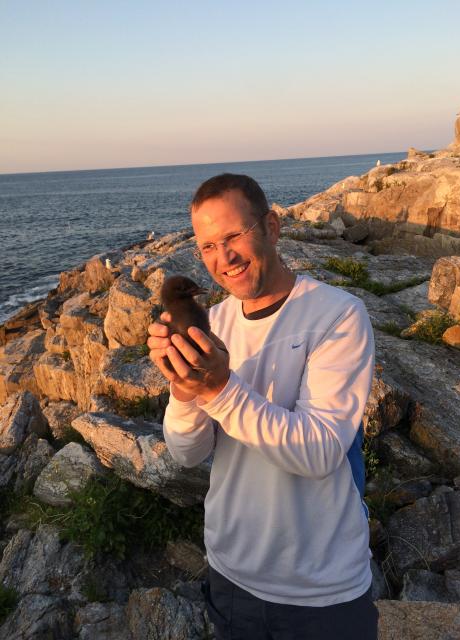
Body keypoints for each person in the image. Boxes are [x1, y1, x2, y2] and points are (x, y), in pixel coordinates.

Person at [148, 173, 378, 639]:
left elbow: (319, 452)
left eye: (234, 236)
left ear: (271, 227)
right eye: (208, 246)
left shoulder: (337, 315)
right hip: (231, 575)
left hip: (320, 591)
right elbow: (186, 453)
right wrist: (183, 388)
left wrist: (218, 388)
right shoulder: (213, 322)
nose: (223, 258)